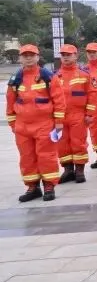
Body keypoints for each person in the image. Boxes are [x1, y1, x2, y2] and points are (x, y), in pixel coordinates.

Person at [7, 45, 65, 202]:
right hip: (22, 126)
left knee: (46, 156)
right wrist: (13, 124)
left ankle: (49, 186)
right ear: (20, 58)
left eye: (31, 55)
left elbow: (59, 100)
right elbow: (10, 103)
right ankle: (32, 187)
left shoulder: (48, 76)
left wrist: (59, 122)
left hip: (44, 125)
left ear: (38, 57)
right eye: (25, 55)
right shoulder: (15, 79)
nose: (28, 58)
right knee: (27, 157)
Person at [55, 44, 96, 183]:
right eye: (63, 55)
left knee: (78, 142)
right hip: (60, 117)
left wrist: (89, 113)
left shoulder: (84, 75)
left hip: (78, 115)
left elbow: (92, 94)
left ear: (76, 56)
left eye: (69, 55)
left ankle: (79, 171)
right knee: (62, 144)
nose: (66, 57)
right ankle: (68, 170)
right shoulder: (55, 76)